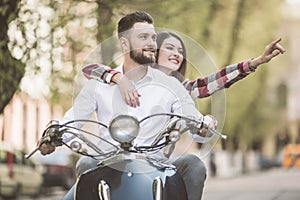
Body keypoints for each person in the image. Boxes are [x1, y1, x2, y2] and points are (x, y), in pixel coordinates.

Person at [39, 11, 215, 200]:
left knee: (194, 164)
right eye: (143, 37)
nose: (151, 44)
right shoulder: (99, 85)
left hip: (156, 168)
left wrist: (204, 125)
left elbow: (191, 118)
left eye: (153, 37)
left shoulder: (170, 85)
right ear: (124, 43)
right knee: (86, 164)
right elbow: (71, 121)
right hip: (107, 165)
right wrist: (52, 135)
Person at [82, 32, 285, 107]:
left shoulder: (182, 89)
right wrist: (119, 78)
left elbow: (214, 81)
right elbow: (90, 68)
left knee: (194, 166)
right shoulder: (134, 78)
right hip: (118, 159)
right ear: (154, 51)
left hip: (159, 164)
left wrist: (255, 62)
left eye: (180, 51)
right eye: (170, 48)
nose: (177, 54)